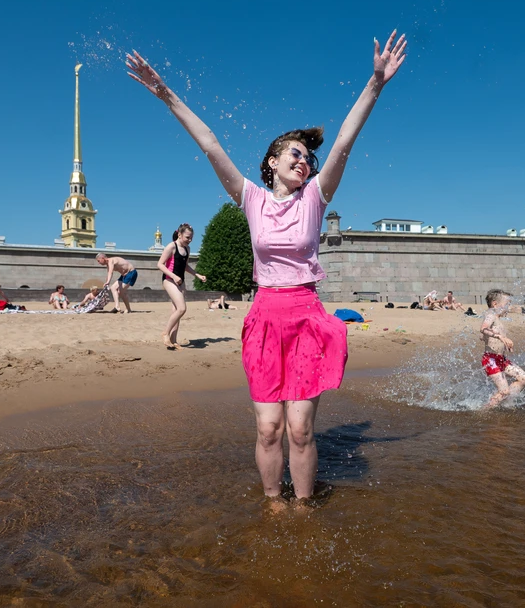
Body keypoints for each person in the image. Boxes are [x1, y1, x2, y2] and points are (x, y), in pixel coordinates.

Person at [126, 29, 406, 504]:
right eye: (296, 153)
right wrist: (165, 93)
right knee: (269, 427)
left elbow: (343, 142)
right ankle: (273, 504)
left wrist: (375, 84)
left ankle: (302, 509)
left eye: (308, 158)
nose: (306, 160)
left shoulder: (315, 198)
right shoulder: (251, 199)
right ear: (272, 161)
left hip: (306, 316)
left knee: (300, 429)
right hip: (265, 317)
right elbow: (211, 145)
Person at [158, 223, 207, 350]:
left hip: (180, 281)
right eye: (187, 237)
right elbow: (160, 264)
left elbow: (185, 266)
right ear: (179, 235)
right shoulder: (171, 247)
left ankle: (174, 341)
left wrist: (197, 275)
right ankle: (165, 333)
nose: (189, 240)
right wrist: (173, 276)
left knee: (176, 311)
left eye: (191, 238)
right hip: (169, 280)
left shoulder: (187, 249)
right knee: (181, 308)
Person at [480, 289, 525, 408]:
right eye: (506, 304)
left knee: (524, 379)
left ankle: (505, 401)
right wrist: (499, 337)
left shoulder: (497, 319)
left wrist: (505, 344)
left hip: (501, 358)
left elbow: (482, 336)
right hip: (490, 360)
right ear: (495, 304)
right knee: (504, 391)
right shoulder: (490, 315)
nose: (508, 307)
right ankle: (483, 410)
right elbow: (483, 328)